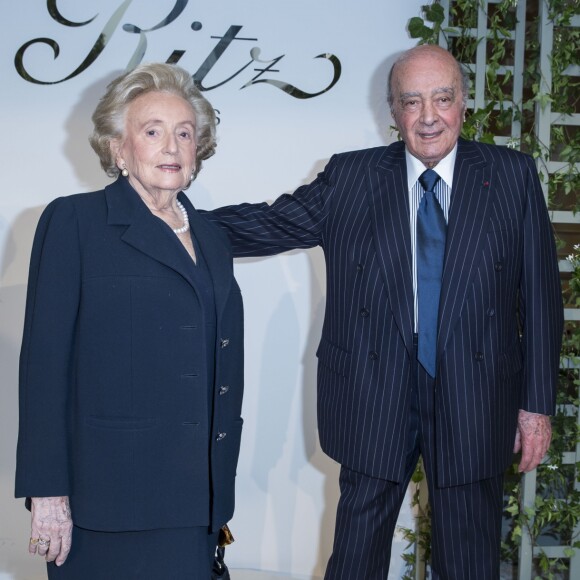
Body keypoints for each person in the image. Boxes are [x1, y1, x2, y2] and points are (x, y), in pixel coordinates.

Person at [204, 45, 563, 579]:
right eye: (411, 102)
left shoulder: (510, 176)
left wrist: (536, 405)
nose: (428, 117)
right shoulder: (351, 176)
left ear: (463, 103)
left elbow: (539, 295)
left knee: (470, 560)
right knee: (356, 556)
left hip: (476, 391)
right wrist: (173, 220)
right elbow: (273, 223)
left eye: (442, 99)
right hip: (374, 393)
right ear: (392, 111)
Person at [15, 63, 244, 579]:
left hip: (195, 499)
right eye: (152, 131)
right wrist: (48, 491)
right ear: (118, 148)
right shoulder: (74, 221)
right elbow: (45, 365)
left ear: (198, 147)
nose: (171, 146)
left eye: (184, 133)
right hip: (107, 503)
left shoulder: (211, 236)